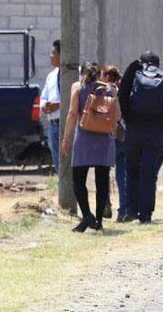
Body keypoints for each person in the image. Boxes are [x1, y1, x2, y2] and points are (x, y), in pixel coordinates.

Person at [119, 51, 163, 224]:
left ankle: (130, 210)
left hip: (134, 131)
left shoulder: (133, 77)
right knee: (149, 174)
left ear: (141, 63)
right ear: (158, 64)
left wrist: (126, 126)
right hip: (157, 134)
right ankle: (146, 215)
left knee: (131, 171)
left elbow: (122, 100)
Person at [60, 62, 119, 233]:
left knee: (78, 180)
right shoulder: (110, 89)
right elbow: (117, 116)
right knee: (102, 182)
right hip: (104, 140)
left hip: (84, 137)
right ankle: (99, 221)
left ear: (82, 73)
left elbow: (72, 114)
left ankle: (87, 216)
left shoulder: (77, 88)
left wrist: (66, 139)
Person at [99, 65, 130, 222]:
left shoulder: (105, 91)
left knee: (103, 174)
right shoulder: (124, 90)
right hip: (123, 137)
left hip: (107, 137)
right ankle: (123, 210)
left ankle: (106, 206)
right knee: (122, 175)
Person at [41, 40, 62, 172]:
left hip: (68, 125)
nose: (50, 56)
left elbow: (80, 98)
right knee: (58, 164)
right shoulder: (51, 76)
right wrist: (45, 106)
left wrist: (59, 105)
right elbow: (44, 96)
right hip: (53, 126)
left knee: (70, 164)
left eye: (53, 53)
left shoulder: (76, 74)